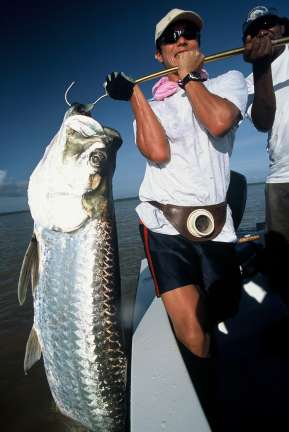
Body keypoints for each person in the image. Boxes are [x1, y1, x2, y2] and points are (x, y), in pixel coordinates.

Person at [104, 8, 247, 427]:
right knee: (193, 331)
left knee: (223, 309)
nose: (182, 40)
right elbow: (158, 152)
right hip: (163, 225)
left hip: (216, 224)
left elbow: (219, 122)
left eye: (189, 33)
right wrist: (134, 97)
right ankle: (208, 410)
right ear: (159, 55)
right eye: (171, 37)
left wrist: (189, 80)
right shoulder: (151, 104)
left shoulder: (227, 83)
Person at [243, 6, 289, 301]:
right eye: (252, 30)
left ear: (283, 28)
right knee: (283, 266)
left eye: (268, 24)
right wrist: (261, 69)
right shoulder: (250, 82)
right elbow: (263, 121)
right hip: (281, 177)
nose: (261, 31)